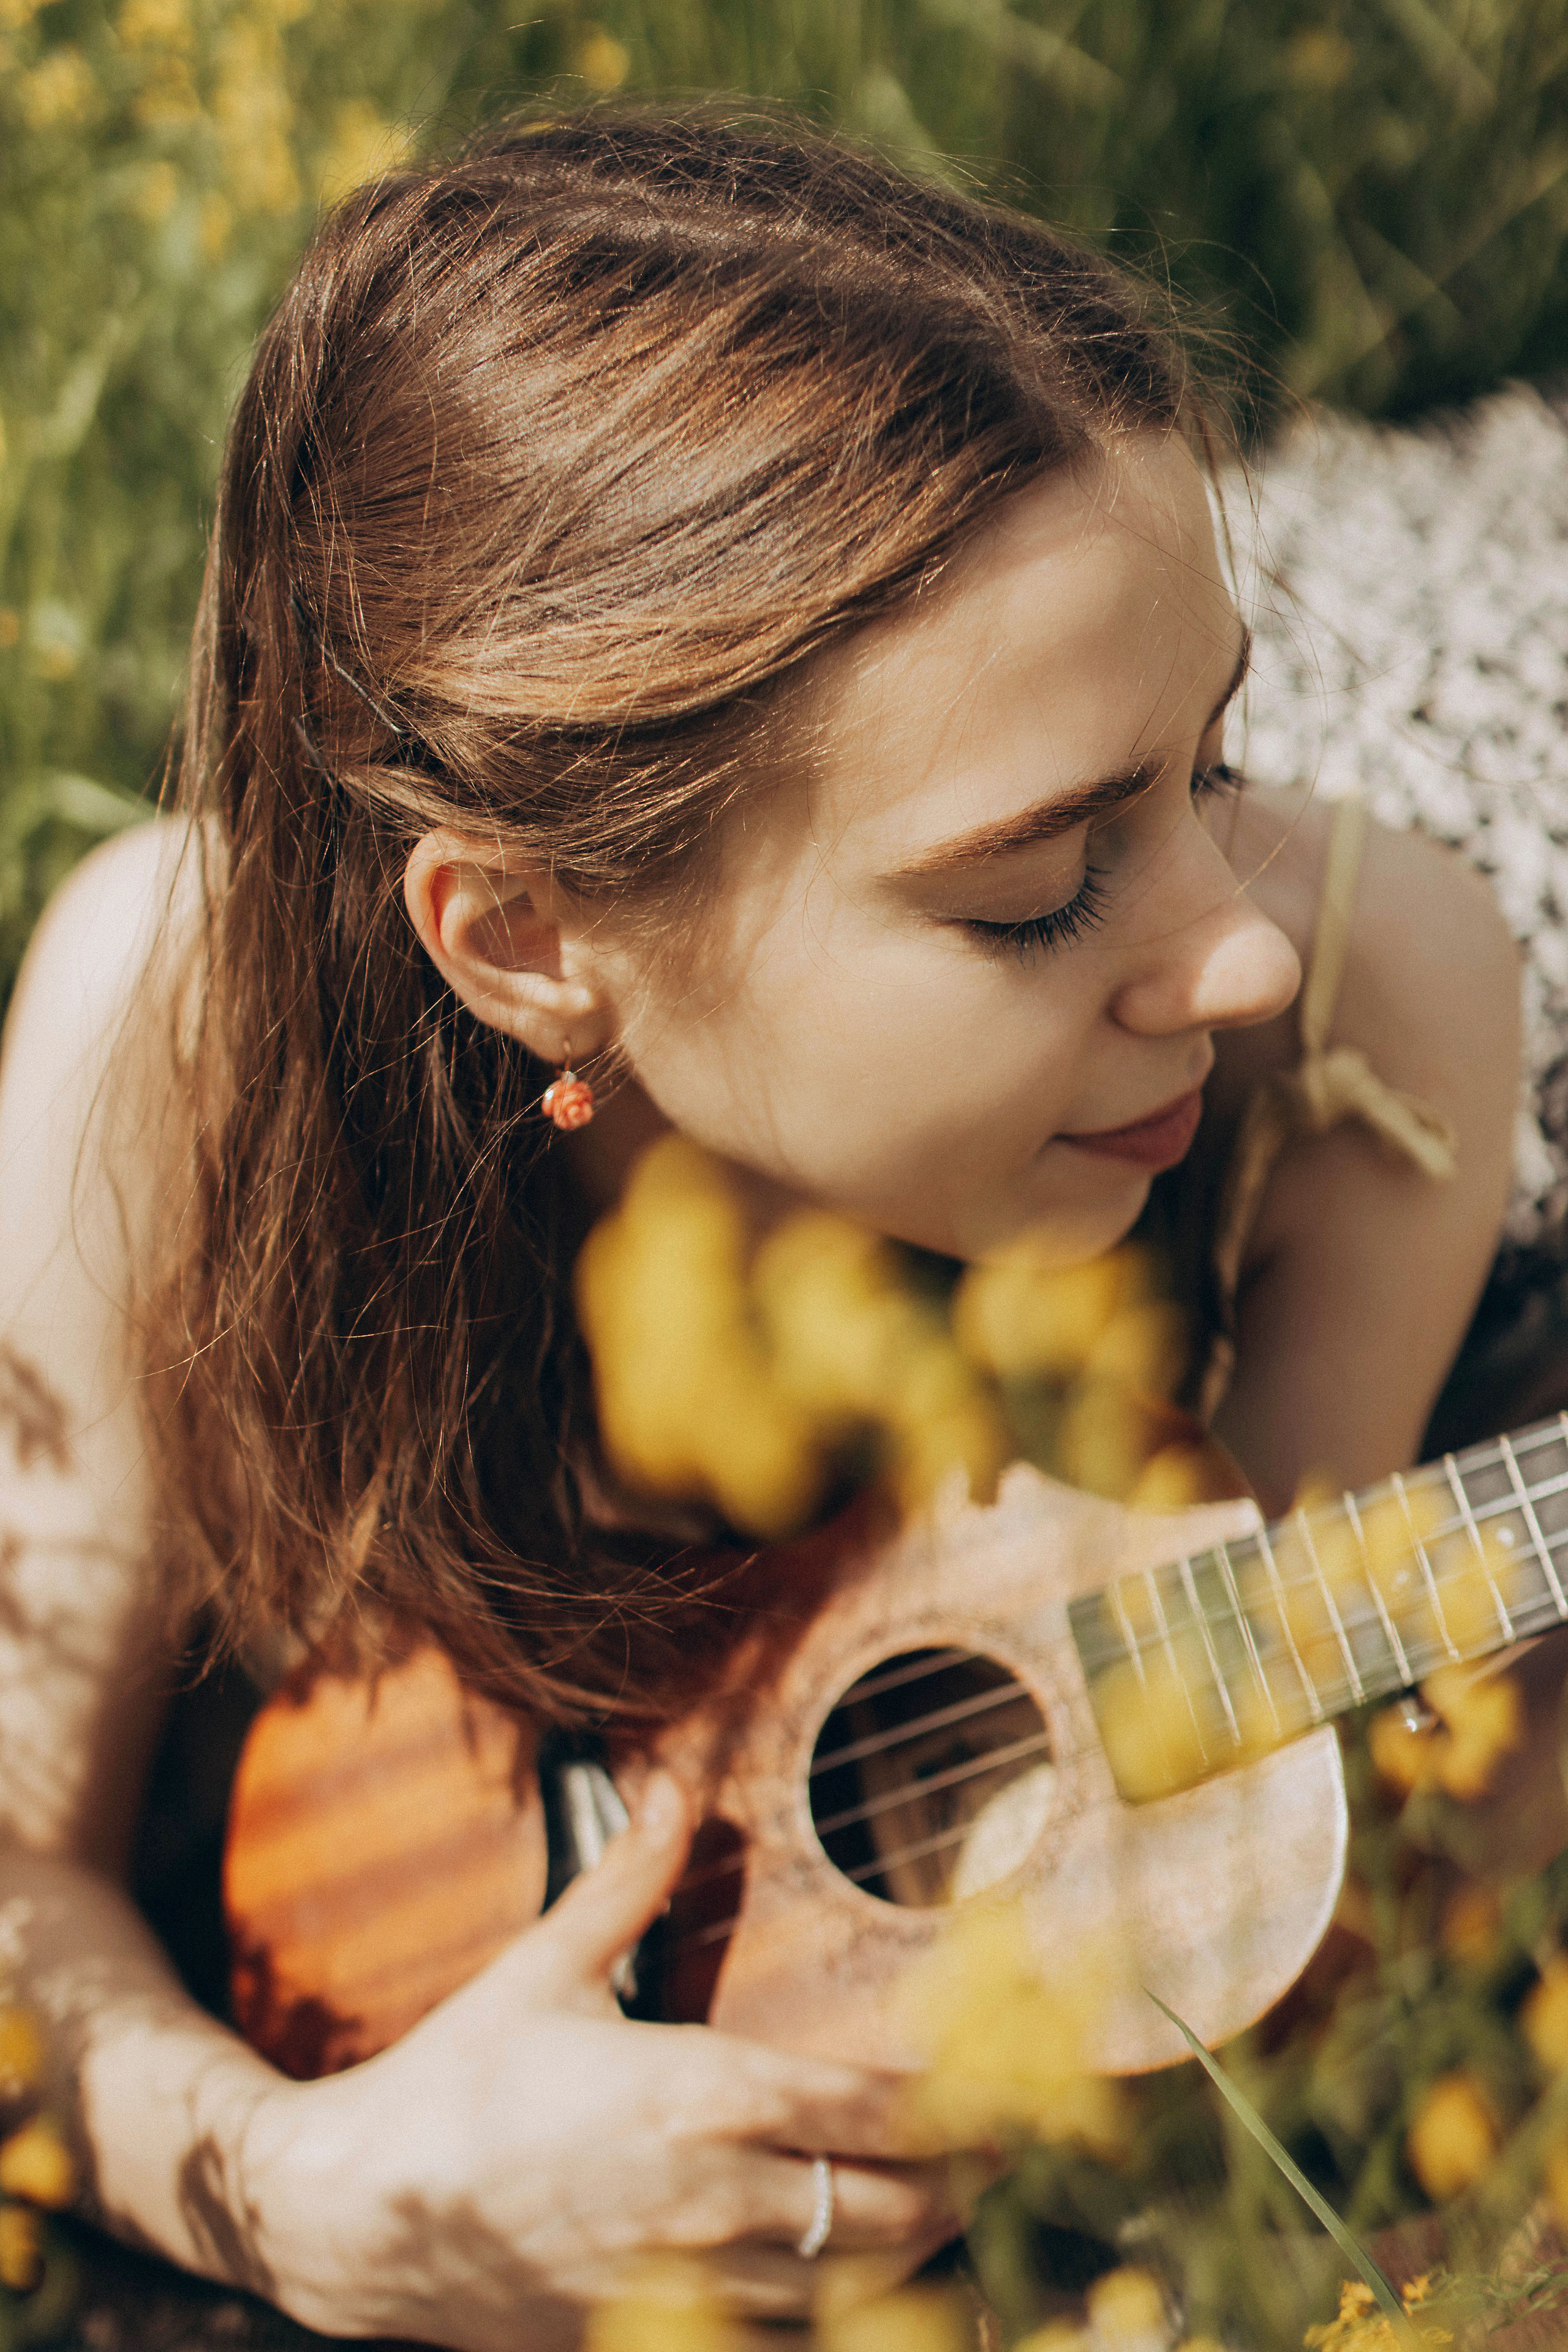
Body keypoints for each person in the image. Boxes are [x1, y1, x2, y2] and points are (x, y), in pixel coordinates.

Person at [0, 109, 1521, 2347]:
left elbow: (1210, 1872)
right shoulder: (173, 1025)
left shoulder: (1367, 1017)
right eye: (1034, 890)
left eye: (1219, 768)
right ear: (523, 939)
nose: (1241, 959)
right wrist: (301, 2193)